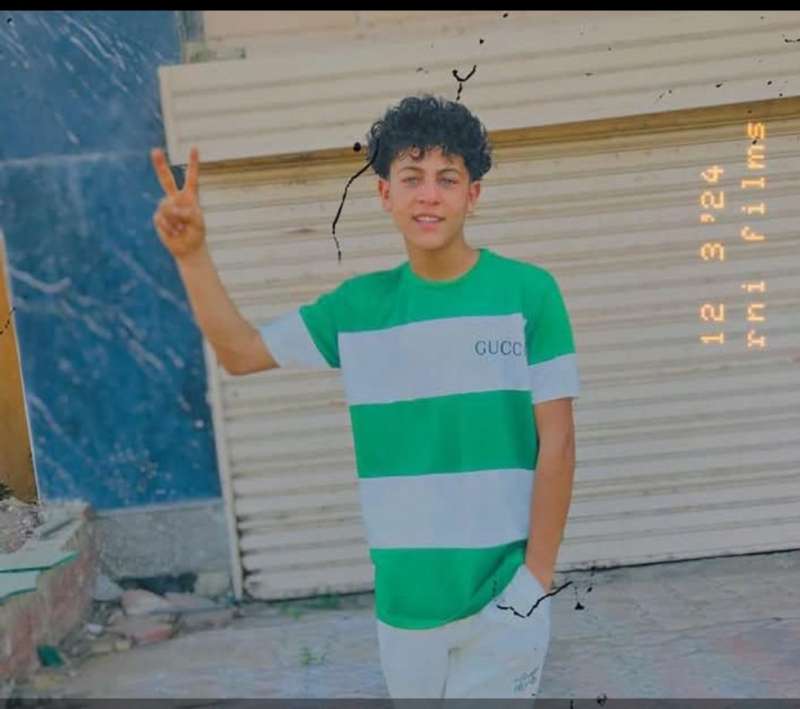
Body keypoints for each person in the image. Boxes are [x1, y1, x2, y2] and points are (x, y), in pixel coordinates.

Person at [150, 94, 580, 701]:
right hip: (404, 608)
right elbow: (241, 353)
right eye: (412, 177)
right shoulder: (357, 308)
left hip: (504, 598)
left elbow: (557, 444)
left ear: (473, 194)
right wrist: (192, 257)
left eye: (447, 178)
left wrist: (535, 577)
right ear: (384, 193)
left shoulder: (528, 294)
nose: (429, 195)